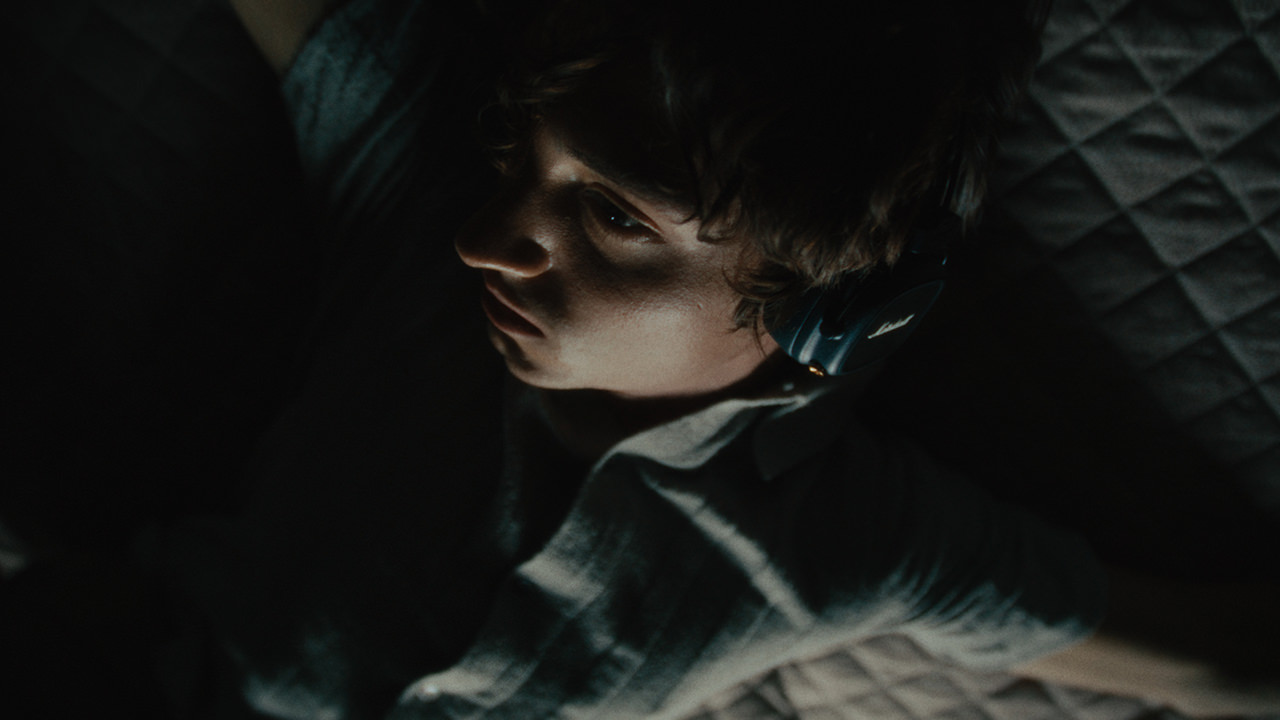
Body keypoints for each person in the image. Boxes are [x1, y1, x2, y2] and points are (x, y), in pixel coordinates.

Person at [5, 0, 1276, 718]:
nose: (488, 235)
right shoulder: (419, 215)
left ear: (836, 314)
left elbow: (1211, 659)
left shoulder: (836, 538)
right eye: (515, 162)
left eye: (613, 216)